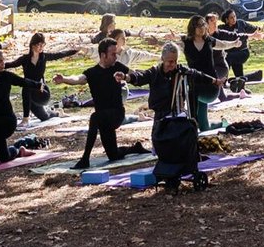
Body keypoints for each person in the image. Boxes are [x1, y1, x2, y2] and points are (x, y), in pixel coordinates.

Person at [133, 40, 210, 191]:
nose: (172, 65)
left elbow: (197, 74)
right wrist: (126, 77)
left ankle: (182, 167)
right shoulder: (155, 72)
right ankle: (168, 171)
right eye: (169, 61)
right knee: (161, 141)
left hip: (178, 115)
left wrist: (215, 81)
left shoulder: (180, 71)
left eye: (174, 61)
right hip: (161, 116)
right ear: (162, 59)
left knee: (184, 138)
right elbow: (139, 77)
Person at [78, 39, 134, 168]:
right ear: (103, 55)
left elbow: (134, 74)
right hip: (103, 120)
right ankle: (134, 148)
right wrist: (63, 79)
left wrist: (128, 77)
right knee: (113, 155)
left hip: (116, 114)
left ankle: (85, 159)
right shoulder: (92, 72)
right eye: (113, 54)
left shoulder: (118, 67)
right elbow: (78, 79)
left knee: (94, 116)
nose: (116, 56)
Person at [182, 15, 228, 131]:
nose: (201, 28)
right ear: (192, 28)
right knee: (204, 127)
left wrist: (236, 43)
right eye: (198, 26)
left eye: (203, 25)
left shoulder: (209, 41)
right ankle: (221, 124)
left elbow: (223, 44)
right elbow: (171, 46)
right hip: (195, 85)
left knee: (193, 94)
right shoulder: (186, 42)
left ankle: (192, 123)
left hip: (211, 85)